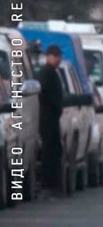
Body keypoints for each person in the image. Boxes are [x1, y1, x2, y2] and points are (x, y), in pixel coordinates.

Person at [37, 44, 65, 196]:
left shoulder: (51, 72)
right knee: (49, 152)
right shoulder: (46, 73)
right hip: (47, 119)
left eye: (59, 56)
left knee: (54, 151)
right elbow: (46, 95)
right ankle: (48, 185)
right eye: (56, 56)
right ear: (49, 56)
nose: (58, 59)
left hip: (52, 119)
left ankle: (52, 185)